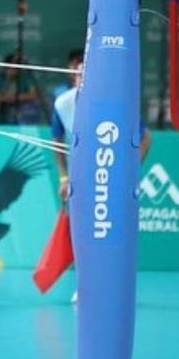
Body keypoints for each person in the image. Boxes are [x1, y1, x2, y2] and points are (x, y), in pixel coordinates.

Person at [49, 55, 152, 303]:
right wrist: (64, 176)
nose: (82, 78)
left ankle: (115, 288)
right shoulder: (63, 103)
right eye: (78, 74)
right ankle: (84, 287)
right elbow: (57, 140)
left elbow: (145, 137)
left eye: (87, 74)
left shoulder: (115, 103)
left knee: (114, 234)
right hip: (82, 180)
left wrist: (129, 170)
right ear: (73, 77)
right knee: (83, 235)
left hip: (112, 180)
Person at [0, 52, 43, 124]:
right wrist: (4, 98)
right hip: (2, 113)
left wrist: (16, 98)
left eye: (15, 69)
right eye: (9, 68)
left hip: (22, 114)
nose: (12, 71)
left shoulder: (25, 77)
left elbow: (36, 94)